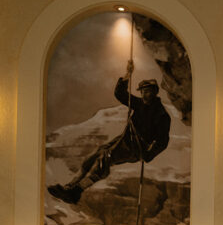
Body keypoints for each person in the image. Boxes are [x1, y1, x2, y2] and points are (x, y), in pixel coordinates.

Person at [48, 62, 171, 205]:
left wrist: (148, 155)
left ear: (155, 92)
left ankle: (77, 192)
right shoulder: (139, 104)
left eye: (149, 91)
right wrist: (128, 74)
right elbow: (120, 94)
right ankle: (69, 186)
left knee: (105, 159)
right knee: (94, 155)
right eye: (143, 91)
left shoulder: (161, 115)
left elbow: (163, 141)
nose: (145, 94)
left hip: (136, 148)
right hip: (124, 140)